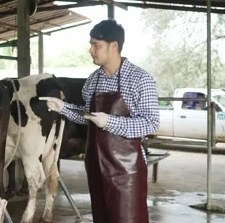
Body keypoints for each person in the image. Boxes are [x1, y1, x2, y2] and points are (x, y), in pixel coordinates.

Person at [40, 19, 160, 223]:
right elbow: (88, 118)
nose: (91, 50)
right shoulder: (93, 80)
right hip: (95, 164)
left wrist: (110, 122)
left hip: (126, 169)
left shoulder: (140, 79)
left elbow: (151, 123)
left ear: (114, 46)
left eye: (96, 45)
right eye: (91, 44)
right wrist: (64, 108)